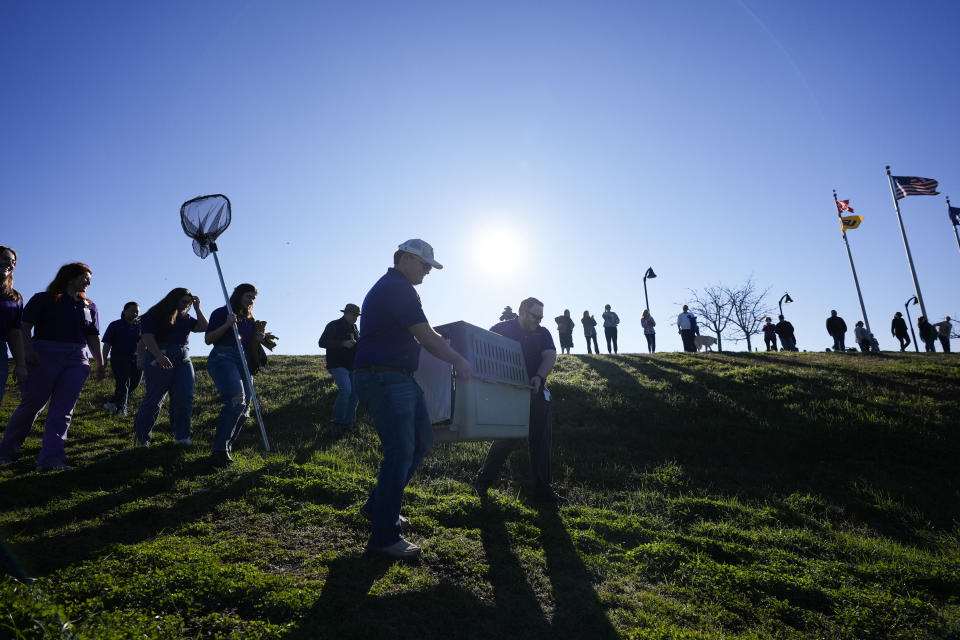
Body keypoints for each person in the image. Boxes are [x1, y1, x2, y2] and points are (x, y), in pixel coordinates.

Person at [353, 239, 474, 559]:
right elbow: (426, 335)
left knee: (421, 440)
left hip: (396, 377)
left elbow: (420, 336)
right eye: (424, 265)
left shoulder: (396, 286)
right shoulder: (398, 287)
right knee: (400, 451)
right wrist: (457, 360)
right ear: (406, 259)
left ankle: (379, 505)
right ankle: (384, 536)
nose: (428, 271)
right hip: (385, 377)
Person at [0, 262, 105, 470]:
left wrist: (100, 362)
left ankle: (51, 459)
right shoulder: (43, 299)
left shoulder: (90, 306)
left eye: (90, 280)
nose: (88, 283)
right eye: (85, 278)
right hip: (43, 356)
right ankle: (6, 452)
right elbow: (24, 327)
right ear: (70, 277)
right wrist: (28, 351)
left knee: (64, 410)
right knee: (32, 406)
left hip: (77, 359)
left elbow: (93, 336)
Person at [474, 297, 566, 505]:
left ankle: (543, 490)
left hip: (535, 392)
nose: (538, 321)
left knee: (541, 440)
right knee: (506, 438)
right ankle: (482, 481)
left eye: (541, 317)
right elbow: (484, 353)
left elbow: (550, 355)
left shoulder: (543, 333)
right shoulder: (500, 328)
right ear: (522, 311)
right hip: (507, 394)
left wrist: (539, 377)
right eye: (535, 316)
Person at [133, 288, 208, 447]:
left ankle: (182, 437)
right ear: (173, 300)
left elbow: (203, 327)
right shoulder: (155, 314)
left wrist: (197, 308)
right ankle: (142, 439)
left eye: (189, 303)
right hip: (159, 355)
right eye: (183, 302)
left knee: (185, 396)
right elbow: (146, 337)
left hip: (183, 358)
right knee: (155, 398)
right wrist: (158, 355)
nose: (186, 306)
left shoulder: (186, 317)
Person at [205, 284, 264, 467]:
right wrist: (227, 325)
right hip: (224, 356)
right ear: (238, 296)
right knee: (236, 399)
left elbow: (249, 345)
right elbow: (208, 339)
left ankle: (226, 448)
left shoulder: (250, 320)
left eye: (253, 298)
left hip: (245, 361)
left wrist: (259, 339)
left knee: (245, 409)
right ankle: (219, 450)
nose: (251, 301)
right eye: (248, 296)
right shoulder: (222, 313)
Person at [319, 303, 361, 436]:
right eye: (353, 314)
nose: (355, 317)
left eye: (357, 315)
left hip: (352, 366)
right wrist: (343, 343)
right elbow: (322, 342)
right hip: (337, 364)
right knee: (346, 390)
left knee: (355, 394)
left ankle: (348, 425)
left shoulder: (355, 328)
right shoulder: (333, 325)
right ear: (346, 313)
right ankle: (336, 423)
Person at [101, 301, 142, 416]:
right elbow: (107, 343)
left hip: (136, 359)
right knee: (124, 382)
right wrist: (104, 358)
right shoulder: (115, 325)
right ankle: (121, 409)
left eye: (137, 312)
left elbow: (145, 342)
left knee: (134, 383)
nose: (135, 314)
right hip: (119, 358)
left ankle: (113, 402)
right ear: (124, 311)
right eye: (132, 311)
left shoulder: (140, 327)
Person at [0, 246, 28, 412]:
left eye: (13, 262)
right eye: (5, 258)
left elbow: (15, 333)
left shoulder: (15, 298)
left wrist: (21, 364)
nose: (10, 264)